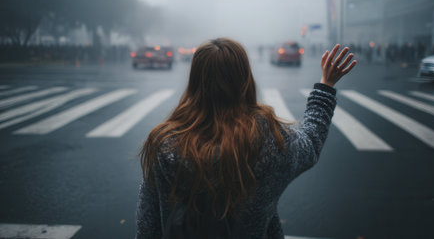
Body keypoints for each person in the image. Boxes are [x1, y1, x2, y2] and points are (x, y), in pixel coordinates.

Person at [136, 38, 356, 239]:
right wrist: (326, 87)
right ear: (245, 80)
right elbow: (311, 141)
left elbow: (148, 222)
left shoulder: (166, 144)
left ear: (195, 81)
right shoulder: (271, 142)